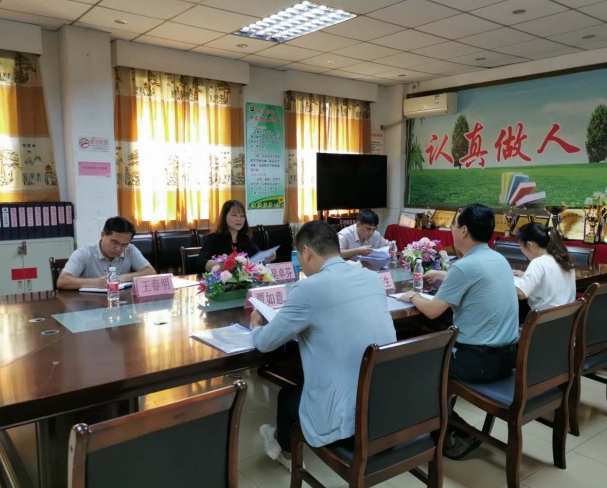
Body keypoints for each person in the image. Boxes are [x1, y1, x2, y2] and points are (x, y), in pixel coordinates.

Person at [253, 220, 396, 471]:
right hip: (385, 408)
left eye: (299, 256)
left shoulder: (308, 288)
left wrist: (256, 324)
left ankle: (287, 455)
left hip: (346, 422)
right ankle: (279, 439)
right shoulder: (371, 278)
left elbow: (265, 343)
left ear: (306, 252)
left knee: (287, 396)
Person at [400, 204, 519, 460]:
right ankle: (445, 426)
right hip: (507, 358)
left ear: (464, 230)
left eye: (454, 226)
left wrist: (412, 296)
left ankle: (454, 433)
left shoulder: (464, 267)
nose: (452, 230)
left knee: (417, 364)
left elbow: (432, 311)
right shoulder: (498, 259)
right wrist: (444, 274)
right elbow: (476, 278)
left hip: (479, 361)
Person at [57, 216, 155, 290]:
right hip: (90, 306)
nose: (118, 249)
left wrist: (123, 278)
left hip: (120, 303)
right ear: (103, 235)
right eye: (115, 242)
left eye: (124, 245)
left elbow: (150, 271)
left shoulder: (130, 250)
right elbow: (62, 281)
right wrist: (96, 283)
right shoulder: (84, 253)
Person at [513, 222, 576, 322]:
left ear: (529, 245)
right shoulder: (564, 259)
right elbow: (552, 279)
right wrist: (525, 275)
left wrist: (505, 283)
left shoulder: (538, 263)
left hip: (544, 322)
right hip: (567, 320)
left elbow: (521, 294)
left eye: (520, 245)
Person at [195, 199, 274, 272]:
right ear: (224, 217)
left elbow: (258, 257)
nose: (239, 219)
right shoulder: (213, 239)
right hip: (222, 280)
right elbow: (200, 263)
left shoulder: (245, 238)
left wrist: (267, 257)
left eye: (242, 216)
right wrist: (224, 264)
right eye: (234, 215)